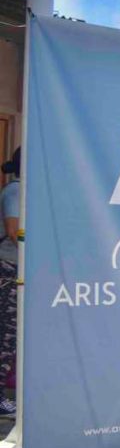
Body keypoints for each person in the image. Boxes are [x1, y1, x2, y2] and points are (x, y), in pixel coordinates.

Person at [0, 148, 20, 417]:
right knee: (7, 334)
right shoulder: (16, 190)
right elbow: (14, 232)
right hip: (10, 268)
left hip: (23, 268)